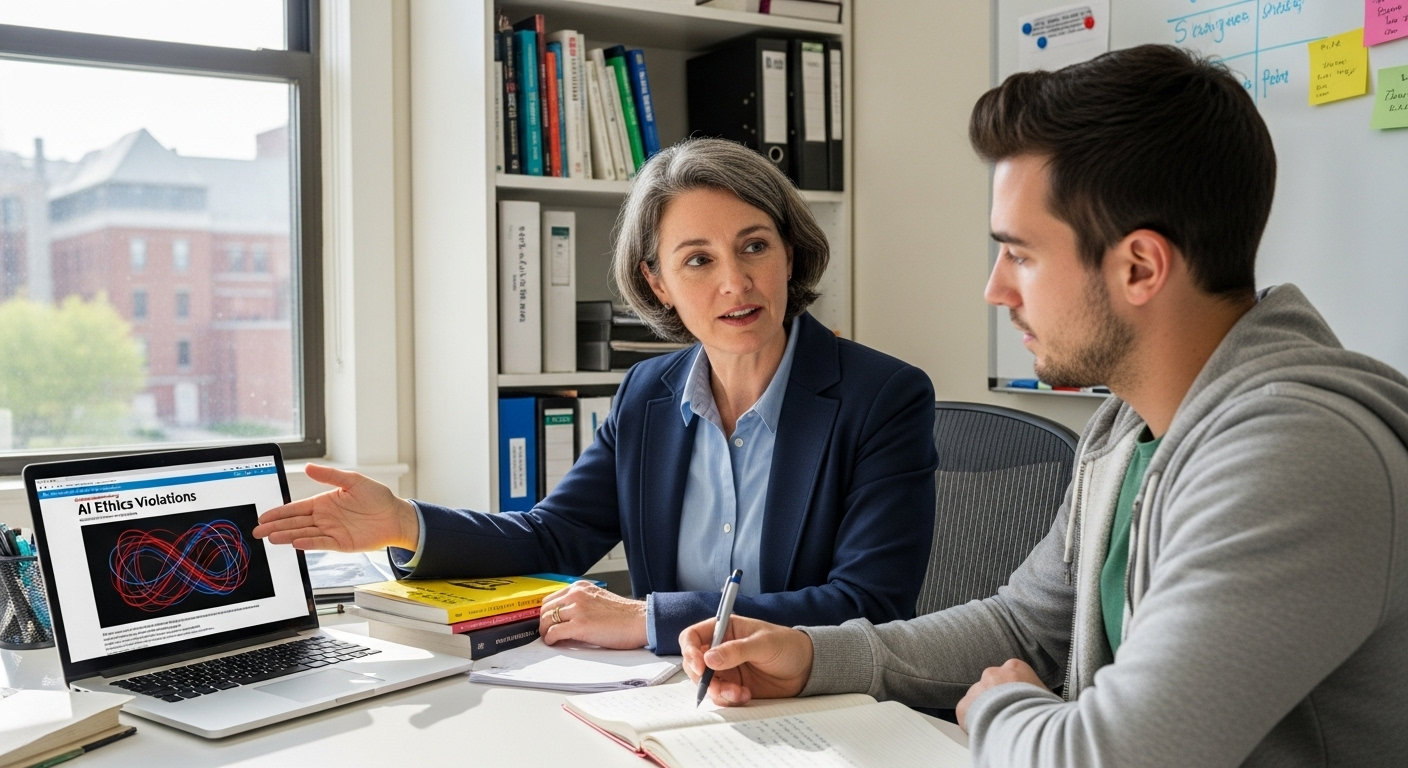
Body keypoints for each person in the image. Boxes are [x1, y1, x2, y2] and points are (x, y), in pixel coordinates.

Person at [680, 45, 1408, 765]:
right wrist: (810, 657)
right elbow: (1027, 626)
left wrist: (1001, 704)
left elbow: (1112, 757)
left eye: (1020, 254)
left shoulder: (1298, 456)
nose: (995, 289)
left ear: (1138, 267)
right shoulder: (1127, 427)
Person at [254, 138, 939, 656]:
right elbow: (555, 535)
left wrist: (647, 619)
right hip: (675, 693)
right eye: (698, 259)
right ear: (658, 282)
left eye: (754, 246)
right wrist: (405, 522)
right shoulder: (647, 393)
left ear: (790, 254)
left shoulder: (882, 397)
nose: (736, 282)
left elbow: (867, 605)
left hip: (822, 703)